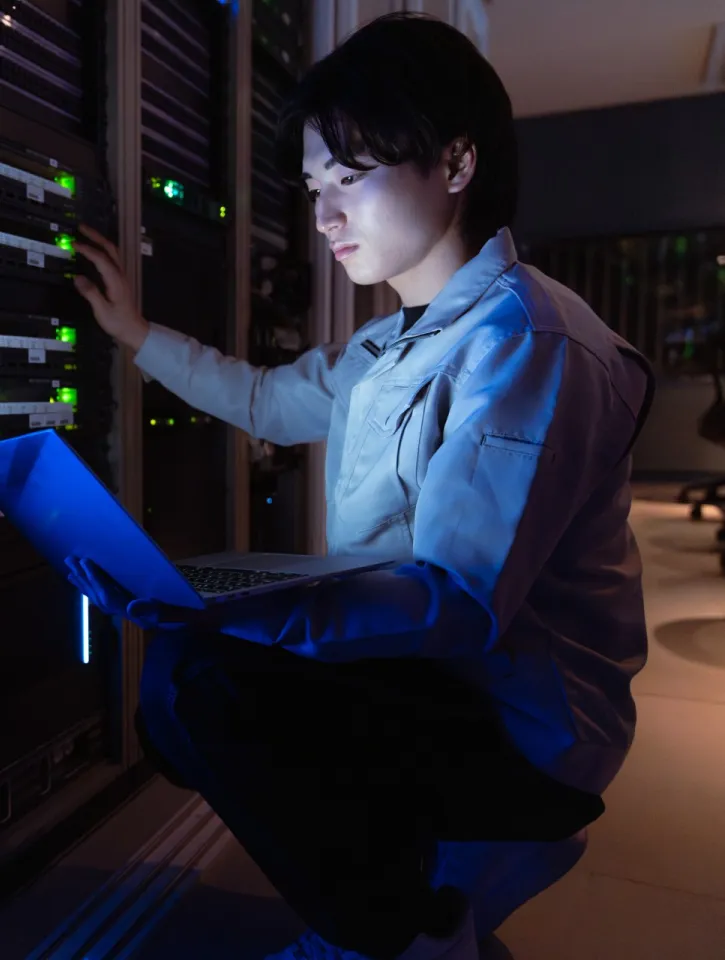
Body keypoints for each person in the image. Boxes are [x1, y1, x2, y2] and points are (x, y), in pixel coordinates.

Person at [67, 12, 654, 960]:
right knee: (179, 691)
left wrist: (222, 606)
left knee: (202, 677)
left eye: (350, 178)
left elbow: (458, 601)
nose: (324, 215)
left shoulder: (525, 344)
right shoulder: (393, 344)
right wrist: (134, 334)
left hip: (520, 720)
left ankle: (395, 936)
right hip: (429, 675)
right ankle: (416, 917)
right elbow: (262, 399)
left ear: (454, 164)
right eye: (311, 187)